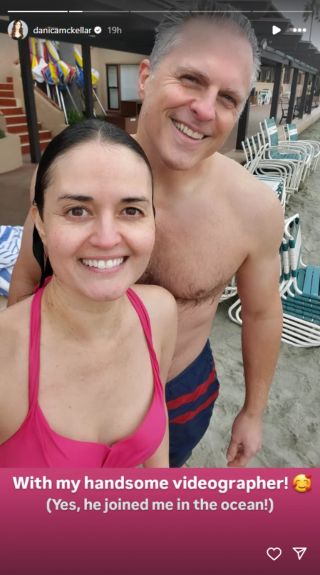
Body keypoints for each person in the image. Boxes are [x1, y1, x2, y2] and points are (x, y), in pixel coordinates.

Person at [8, 1, 284, 468]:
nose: (202, 108)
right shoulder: (66, 177)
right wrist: (21, 380)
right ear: (145, 77)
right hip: (59, 388)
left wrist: (253, 412)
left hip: (179, 390)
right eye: (191, 79)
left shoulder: (253, 209)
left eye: (227, 98)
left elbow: (260, 313)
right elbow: (27, 279)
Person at [0, 120, 177, 468]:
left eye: (131, 210)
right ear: (40, 224)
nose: (107, 238)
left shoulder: (160, 313)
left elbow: (159, 431)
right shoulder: (6, 354)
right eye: (77, 211)